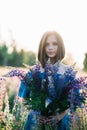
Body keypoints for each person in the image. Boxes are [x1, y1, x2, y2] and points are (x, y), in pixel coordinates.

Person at [18, 30, 70, 130]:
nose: (50, 47)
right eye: (47, 44)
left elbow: (71, 101)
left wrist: (59, 116)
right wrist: (35, 114)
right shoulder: (32, 71)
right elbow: (24, 98)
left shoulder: (67, 72)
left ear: (60, 46)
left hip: (58, 123)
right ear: (42, 47)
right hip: (35, 123)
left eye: (55, 44)